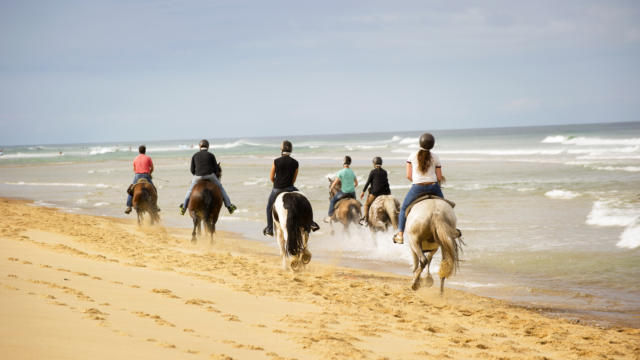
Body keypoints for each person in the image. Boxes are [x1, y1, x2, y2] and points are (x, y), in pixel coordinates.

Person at [393, 133, 444, 244]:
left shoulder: (412, 156)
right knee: (446, 207)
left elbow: (408, 175)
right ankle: (451, 230)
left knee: (403, 209)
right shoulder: (436, 157)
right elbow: (439, 177)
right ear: (432, 145)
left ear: (420, 142)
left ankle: (400, 235)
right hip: (434, 187)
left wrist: (418, 182)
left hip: (417, 188)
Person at [179, 139, 237, 215]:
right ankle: (229, 206)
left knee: (190, 190)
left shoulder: (195, 155)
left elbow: (192, 170)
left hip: (198, 176)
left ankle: (184, 208)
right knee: (221, 188)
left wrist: (197, 175)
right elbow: (216, 169)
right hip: (210, 176)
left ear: (199, 146)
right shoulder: (211, 155)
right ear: (208, 147)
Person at [325, 155, 358, 222]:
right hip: (352, 193)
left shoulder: (341, 172)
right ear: (350, 163)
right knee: (355, 204)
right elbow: (356, 183)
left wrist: (331, 188)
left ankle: (330, 216)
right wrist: (351, 188)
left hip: (344, 193)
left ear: (343, 163)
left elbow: (335, 182)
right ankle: (359, 217)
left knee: (332, 200)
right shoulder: (352, 172)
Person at [125, 145, 156, 214]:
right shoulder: (148, 158)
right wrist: (149, 173)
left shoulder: (135, 158)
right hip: (146, 175)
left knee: (131, 190)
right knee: (153, 189)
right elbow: (152, 168)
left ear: (139, 151)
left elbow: (134, 169)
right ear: (145, 151)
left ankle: (129, 206)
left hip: (137, 176)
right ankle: (155, 206)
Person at [360, 156, 391, 223]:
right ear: (381, 163)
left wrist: (363, 192)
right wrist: (389, 194)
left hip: (375, 194)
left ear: (374, 164)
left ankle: (366, 220)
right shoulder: (385, 172)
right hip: (385, 193)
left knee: (366, 205)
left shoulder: (373, 172)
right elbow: (386, 183)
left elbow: (368, 182)